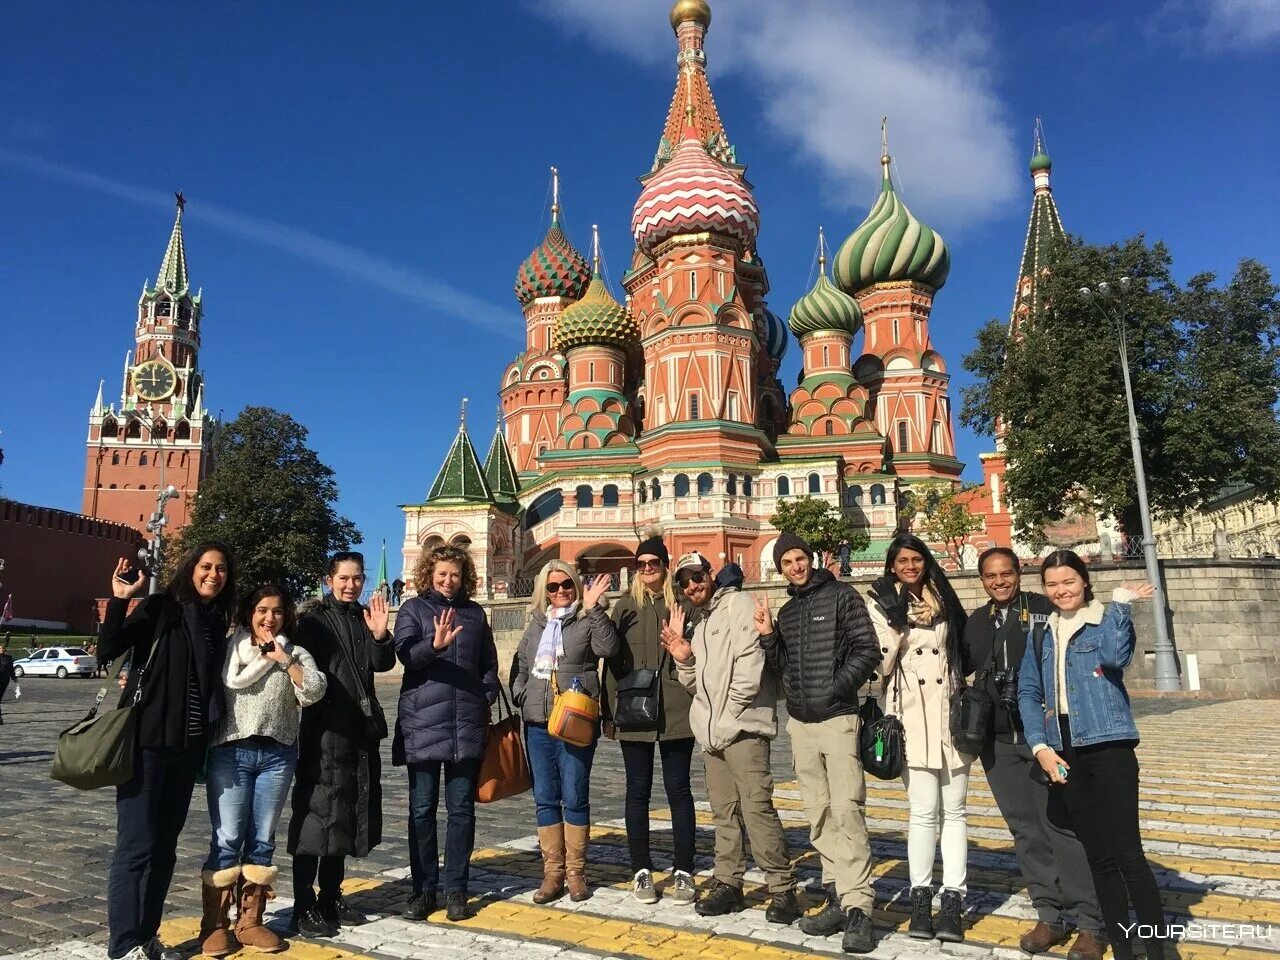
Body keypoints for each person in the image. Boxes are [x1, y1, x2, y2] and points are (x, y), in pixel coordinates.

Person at [1018, 550, 1166, 960]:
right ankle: (1120, 946)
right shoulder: (1041, 632)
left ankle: (1157, 950)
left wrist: (1120, 605)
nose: (1061, 590)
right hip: (1063, 751)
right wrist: (1041, 747)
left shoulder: (1105, 620)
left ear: (1084, 581)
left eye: (1068, 581)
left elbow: (1114, 658)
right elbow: (1029, 692)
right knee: (1099, 857)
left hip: (1109, 745)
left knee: (1128, 855)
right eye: (1052, 584)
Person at [961, 548, 1104, 960]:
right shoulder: (976, 622)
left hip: (1047, 739)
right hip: (998, 742)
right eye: (991, 576)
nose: (1000, 581)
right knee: (1025, 831)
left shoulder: (1045, 609)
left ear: (1019, 573)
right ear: (982, 579)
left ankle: (1091, 922)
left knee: (1062, 829)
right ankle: (1050, 914)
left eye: (1007, 573)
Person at [98, 544, 237, 960]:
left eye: (221, 569)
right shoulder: (162, 607)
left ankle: (146, 937)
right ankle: (123, 946)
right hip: (147, 744)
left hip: (186, 750)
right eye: (206, 566)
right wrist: (121, 603)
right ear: (191, 569)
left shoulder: (216, 623)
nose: (213, 574)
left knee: (164, 851)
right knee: (136, 847)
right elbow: (109, 650)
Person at [758, 533, 880, 954]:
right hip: (801, 726)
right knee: (819, 815)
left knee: (848, 811)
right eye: (787, 561)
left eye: (800, 558)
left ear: (810, 559)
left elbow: (868, 650)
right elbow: (782, 667)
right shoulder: (788, 612)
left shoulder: (842, 596)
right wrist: (769, 637)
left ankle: (860, 905)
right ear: (780, 568)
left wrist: (836, 688)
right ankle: (837, 896)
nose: (796, 565)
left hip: (838, 720)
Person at [661, 555, 798, 924]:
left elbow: (750, 673)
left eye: (698, 576)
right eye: (686, 582)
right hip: (712, 733)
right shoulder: (701, 623)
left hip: (743, 730)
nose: (693, 586)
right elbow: (696, 686)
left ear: (711, 575)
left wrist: (727, 719)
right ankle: (729, 883)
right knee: (725, 812)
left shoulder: (738, 605)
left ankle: (782, 888)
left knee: (756, 810)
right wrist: (684, 660)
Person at [199, 585, 327, 956]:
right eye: (261, 610)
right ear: (249, 614)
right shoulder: (231, 649)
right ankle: (215, 925)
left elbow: (315, 691)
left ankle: (251, 921)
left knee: (262, 838)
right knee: (226, 838)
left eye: (276, 611)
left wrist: (286, 660)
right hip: (230, 752)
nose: (269, 618)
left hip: (277, 755)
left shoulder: (293, 650)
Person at [867, 533, 971, 943]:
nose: (910, 566)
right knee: (924, 812)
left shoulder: (944, 598)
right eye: (903, 561)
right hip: (911, 718)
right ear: (892, 565)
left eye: (917, 559)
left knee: (956, 812)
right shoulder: (879, 602)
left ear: (926, 562)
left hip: (950, 717)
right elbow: (880, 664)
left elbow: (963, 653)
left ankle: (954, 899)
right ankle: (920, 898)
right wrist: (895, 625)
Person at [288, 552, 394, 938]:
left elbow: (382, 665)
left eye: (357, 578)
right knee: (316, 818)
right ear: (328, 580)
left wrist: (381, 635)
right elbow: (297, 668)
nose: (351, 585)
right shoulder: (313, 622)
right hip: (323, 732)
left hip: (358, 733)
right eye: (344, 578)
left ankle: (331, 895)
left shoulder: (364, 617)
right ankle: (302, 904)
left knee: (345, 814)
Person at [394, 545, 499, 923]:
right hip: (423, 724)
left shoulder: (474, 613)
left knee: (461, 812)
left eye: (454, 574)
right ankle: (423, 889)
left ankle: (456, 889)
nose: (448, 580)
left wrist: (484, 694)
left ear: (464, 576)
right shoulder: (412, 610)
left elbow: (489, 663)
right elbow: (405, 655)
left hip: (466, 725)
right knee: (421, 811)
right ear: (429, 573)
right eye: (441, 573)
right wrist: (434, 646)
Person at [511, 560, 618, 904]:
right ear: (544, 590)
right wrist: (521, 694)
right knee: (545, 797)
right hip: (538, 723)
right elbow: (521, 668)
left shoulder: (586, 620)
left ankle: (576, 874)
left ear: (575, 585)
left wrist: (594, 608)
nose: (560, 592)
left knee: (574, 794)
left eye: (566, 585)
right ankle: (552, 873)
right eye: (553, 587)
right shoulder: (535, 626)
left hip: (575, 721)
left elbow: (609, 649)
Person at [602, 534, 697, 906]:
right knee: (637, 791)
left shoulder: (684, 604)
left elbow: (697, 654)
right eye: (640, 565)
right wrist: (607, 711)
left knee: (679, 791)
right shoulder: (625, 607)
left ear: (664, 565)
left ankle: (684, 870)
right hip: (634, 710)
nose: (646, 571)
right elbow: (611, 661)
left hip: (677, 710)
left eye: (652, 564)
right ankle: (641, 870)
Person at [0, 641, 15, 724]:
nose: (1, 650)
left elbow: (11, 669)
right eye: (0, 648)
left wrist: (14, 677)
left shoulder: (8, 657)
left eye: (2, 648)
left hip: (4, 680)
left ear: (5, 650)